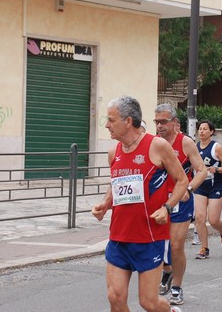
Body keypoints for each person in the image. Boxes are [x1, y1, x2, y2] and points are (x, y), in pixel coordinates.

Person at [91, 96, 187, 312]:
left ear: (127, 121)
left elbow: (182, 181)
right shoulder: (113, 152)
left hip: (149, 237)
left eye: (111, 120)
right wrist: (105, 203)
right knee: (115, 297)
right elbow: (117, 183)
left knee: (149, 303)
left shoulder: (157, 146)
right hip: (119, 236)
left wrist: (167, 207)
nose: (106, 124)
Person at [154, 104, 207, 305]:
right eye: (156, 122)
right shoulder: (154, 143)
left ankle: (177, 287)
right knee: (159, 244)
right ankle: (167, 270)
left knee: (176, 246)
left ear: (175, 123)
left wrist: (189, 189)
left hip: (181, 201)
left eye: (163, 122)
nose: (159, 126)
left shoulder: (185, 143)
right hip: (159, 202)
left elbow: (201, 170)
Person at [194, 120, 222, 259]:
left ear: (211, 132)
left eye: (205, 129)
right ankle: (204, 248)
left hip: (216, 186)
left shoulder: (216, 147)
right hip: (200, 186)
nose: (202, 131)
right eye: (200, 129)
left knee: (213, 220)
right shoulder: (195, 147)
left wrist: (216, 169)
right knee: (199, 218)